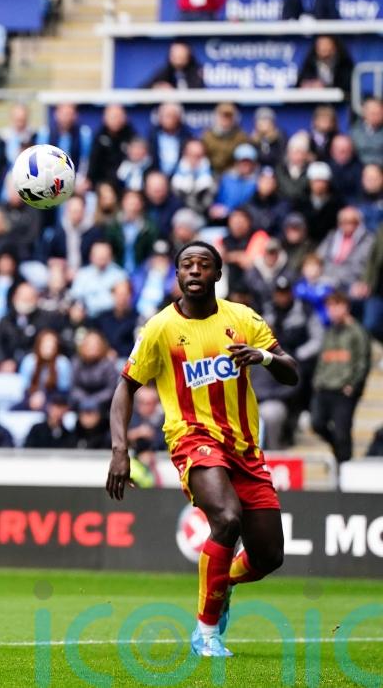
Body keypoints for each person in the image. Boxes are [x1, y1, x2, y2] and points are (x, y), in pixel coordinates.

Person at [108, 240, 299, 658]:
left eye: (204, 264)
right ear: (178, 275)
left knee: (269, 556)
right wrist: (120, 450)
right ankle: (206, 633)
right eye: (187, 265)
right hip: (193, 439)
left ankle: (221, 583)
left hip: (245, 448)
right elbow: (125, 387)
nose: (195, 270)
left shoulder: (243, 318)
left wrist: (264, 357)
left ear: (218, 274)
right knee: (227, 520)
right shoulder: (160, 328)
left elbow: (291, 372)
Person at [310, 291, 370, 463]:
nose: (332, 311)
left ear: (345, 307)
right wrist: (317, 381)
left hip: (344, 390)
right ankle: (338, 452)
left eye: (336, 306)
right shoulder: (329, 331)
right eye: (329, 307)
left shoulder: (357, 332)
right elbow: (322, 359)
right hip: (325, 387)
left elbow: (363, 361)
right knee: (317, 424)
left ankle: (345, 465)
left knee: (342, 432)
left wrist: (354, 385)